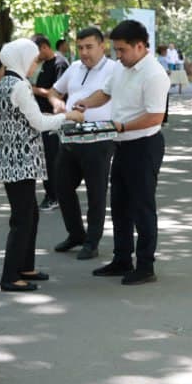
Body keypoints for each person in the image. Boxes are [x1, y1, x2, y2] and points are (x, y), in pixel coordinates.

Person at [65, 19, 169, 286]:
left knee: (142, 206)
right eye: (116, 50)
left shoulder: (155, 74)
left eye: (122, 50)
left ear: (140, 46)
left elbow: (156, 116)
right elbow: (105, 93)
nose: (118, 56)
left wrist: (122, 125)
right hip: (121, 142)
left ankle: (145, 266)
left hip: (144, 145)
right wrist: (85, 102)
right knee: (120, 205)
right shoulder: (123, 69)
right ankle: (122, 258)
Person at [0, 38, 66, 291]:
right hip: (19, 161)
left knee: (30, 215)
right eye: (33, 60)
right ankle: (10, 276)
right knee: (23, 219)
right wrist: (68, 117)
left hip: (14, 160)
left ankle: (25, 266)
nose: (35, 65)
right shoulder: (20, 86)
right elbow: (39, 123)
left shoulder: (5, 83)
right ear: (22, 59)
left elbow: (26, 118)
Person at [50, 26, 122, 260]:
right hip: (70, 137)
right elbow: (53, 92)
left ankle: (92, 241)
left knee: (96, 192)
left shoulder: (115, 69)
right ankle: (76, 234)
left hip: (99, 139)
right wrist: (57, 104)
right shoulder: (73, 68)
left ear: (103, 46)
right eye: (80, 47)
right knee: (61, 187)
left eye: (89, 47)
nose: (84, 52)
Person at [32, 34, 68, 210]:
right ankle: (52, 193)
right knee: (45, 158)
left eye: (37, 51)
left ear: (45, 47)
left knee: (51, 159)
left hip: (52, 118)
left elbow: (58, 93)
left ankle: (55, 195)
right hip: (41, 118)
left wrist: (33, 90)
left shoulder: (60, 63)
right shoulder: (43, 64)